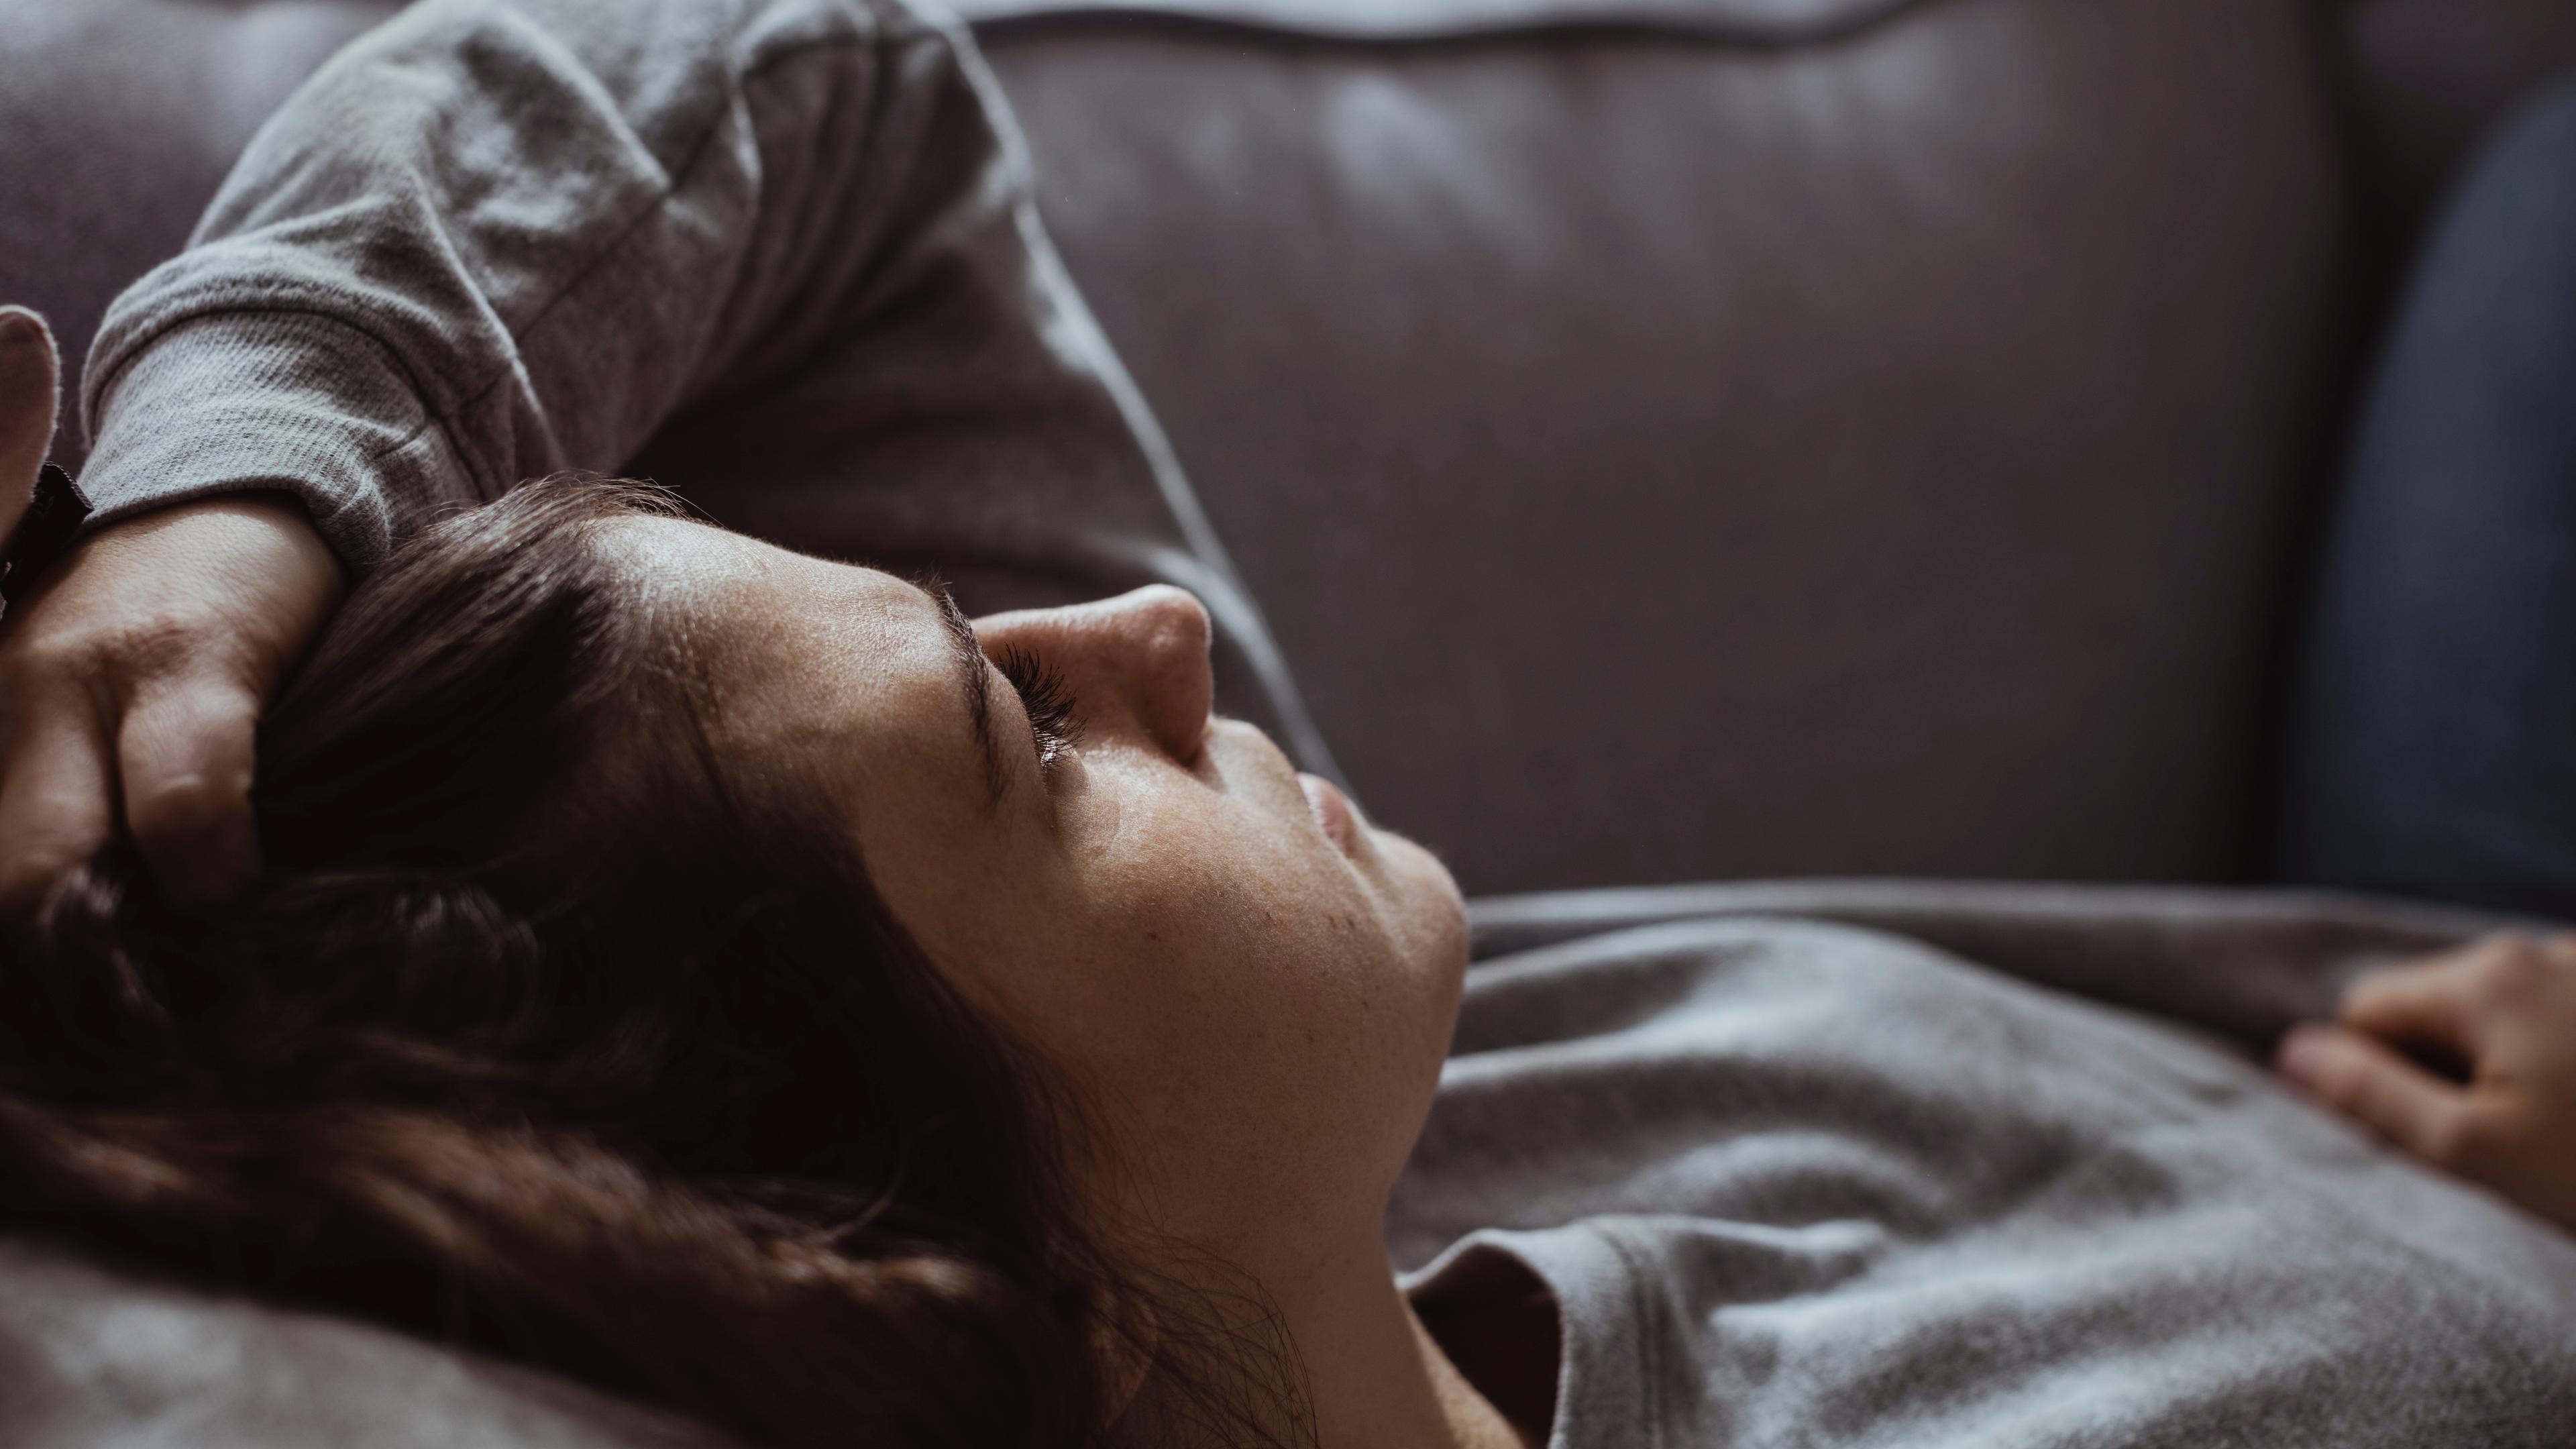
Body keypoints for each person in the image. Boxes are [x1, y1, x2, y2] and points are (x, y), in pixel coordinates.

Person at [0, 2, 2571, 1445]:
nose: (1139, 632)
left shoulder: (1325, 1124)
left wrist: (247, 486)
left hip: (2384, 951)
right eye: (1017, 750)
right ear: (915, 1271)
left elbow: (818, 70)